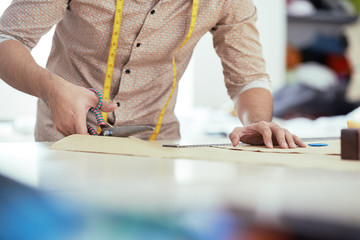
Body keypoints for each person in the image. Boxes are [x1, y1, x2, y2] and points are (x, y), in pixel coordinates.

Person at [0, 0, 305, 149]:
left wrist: (256, 122)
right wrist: (52, 89)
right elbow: (6, 39)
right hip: (66, 140)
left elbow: (248, 78)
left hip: (158, 148)